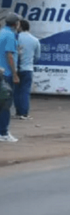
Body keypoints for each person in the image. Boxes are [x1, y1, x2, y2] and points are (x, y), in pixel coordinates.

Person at [13, 20, 40, 120]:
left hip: (15, 68)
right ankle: (24, 113)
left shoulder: (15, 38)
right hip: (28, 68)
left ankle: (18, 112)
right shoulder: (35, 40)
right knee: (25, 91)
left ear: (20, 27)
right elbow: (37, 56)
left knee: (16, 91)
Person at [0, 13, 20, 142]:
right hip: (6, 74)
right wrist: (15, 74)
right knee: (5, 104)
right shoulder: (10, 36)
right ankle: (4, 133)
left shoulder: (1, 32)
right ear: (15, 24)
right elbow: (10, 56)